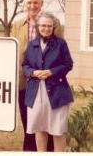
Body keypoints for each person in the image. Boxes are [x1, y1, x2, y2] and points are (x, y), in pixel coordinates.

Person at [10, 0, 62, 151]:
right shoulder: (17, 25)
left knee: (46, 125)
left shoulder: (53, 23)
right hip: (24, 83)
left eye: (36, 2)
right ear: (25, 4)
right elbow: (14, 52)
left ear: (42, 4)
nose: (32, 6)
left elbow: (59, 51)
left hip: (46, 84)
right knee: (28, 125)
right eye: (29, 2)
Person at [22, 11, 73, 152]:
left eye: (49, 26)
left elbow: (68, 64)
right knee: (40, 128)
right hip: (35, 94)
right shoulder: (32, 44)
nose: (46, 28)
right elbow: (25, 65)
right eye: (43, 25)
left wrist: (52, 72)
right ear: (38, 26)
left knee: (57, 131)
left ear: (54, 27)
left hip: (57, 94)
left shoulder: (61, 44)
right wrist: (32, 72)